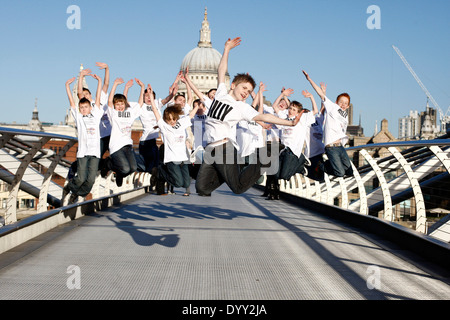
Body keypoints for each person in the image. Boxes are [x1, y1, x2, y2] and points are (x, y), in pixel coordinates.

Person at [195, 37, 301, 196]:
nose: (246, 92)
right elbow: (221, 70)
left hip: (224, 148)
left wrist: (289, 123)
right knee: (202, 188)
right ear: (233, 85)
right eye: (244, 87)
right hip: (210, 148)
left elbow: (264, 117)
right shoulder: (221, 93)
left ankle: (266, 155)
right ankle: (228, 174)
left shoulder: (242, 107)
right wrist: (226, 50)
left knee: (238, 188)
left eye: (248, 90)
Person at [147, 84, 199, 194]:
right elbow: (156, 111)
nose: (172, 121)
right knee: (178, 183)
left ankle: (161, 173)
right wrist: (151, 98)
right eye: (170, 119)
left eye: (174, 119)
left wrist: (197, 106)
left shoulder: (181, 123)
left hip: (183, 159)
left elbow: (190, 115)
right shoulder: (164, 126)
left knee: (186, 184)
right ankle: (160, 173)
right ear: (166, 119)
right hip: (172, 160)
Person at [302, 70, 353, 178]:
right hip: (331, 147)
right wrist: (309, 79)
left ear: (348, 106)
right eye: (341, 102)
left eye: (345, 103)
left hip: (340, 147)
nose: (343, 105)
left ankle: (330, 165)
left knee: (349, 171)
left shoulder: (345, 116)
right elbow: (320, 95)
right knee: (340, 173)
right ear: (336, 102)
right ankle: (319, 165)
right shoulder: (333, 108)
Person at [63, 74, 103, 203]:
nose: (84, 109)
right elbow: (72, 101)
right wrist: (67, 86)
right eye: (82, 108)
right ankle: (70, 187)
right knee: (80, 178)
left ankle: (76, 193)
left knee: (90, 180)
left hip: (95, 153)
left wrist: (99, 81)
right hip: (83, 153)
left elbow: (97, 98)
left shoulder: (96, 114)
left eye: (86, 107)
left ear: (90, 107)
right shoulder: (79, 117)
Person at [105, 77, 145, 187]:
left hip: (127, 145)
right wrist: (115, 85)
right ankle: (108, 163)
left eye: (122, 104)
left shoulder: (130, 113)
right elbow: (109, 101)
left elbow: (140, 104)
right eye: (117, 104)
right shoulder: (113, 113)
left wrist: (142, 87)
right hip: (116, 146)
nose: (120, 106)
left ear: (125, 104)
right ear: (114, 105)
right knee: (125, 168)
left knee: (132, 168)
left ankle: (119, 174)